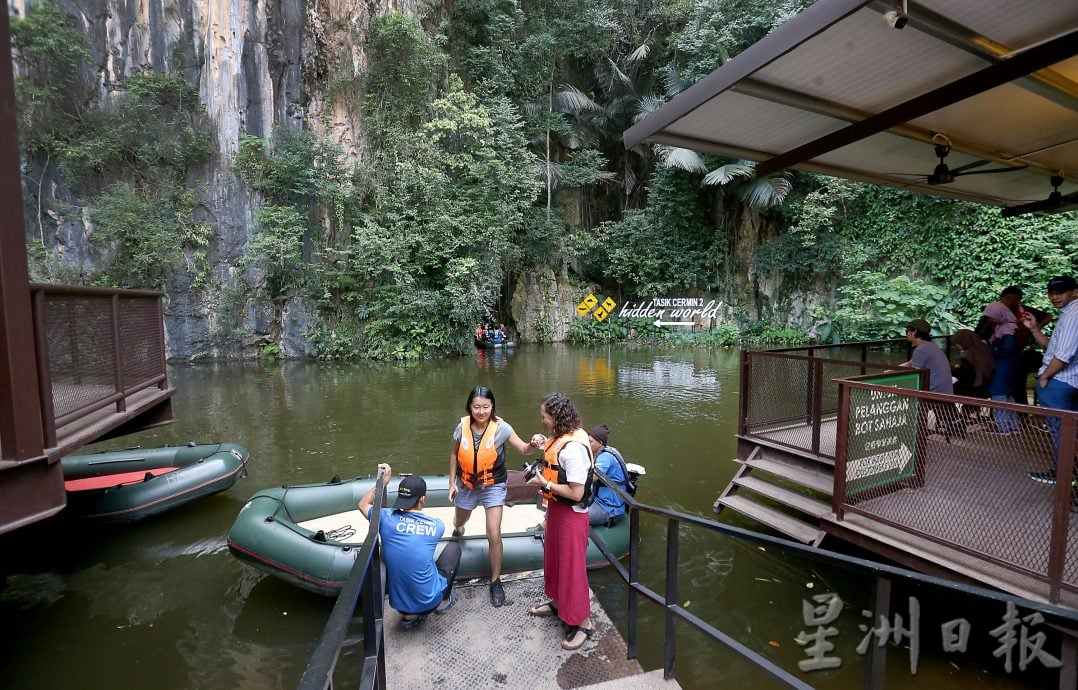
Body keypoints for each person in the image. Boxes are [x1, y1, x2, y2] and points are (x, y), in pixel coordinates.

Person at [449, 386, 537, 606]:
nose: (481, 411)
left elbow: (524, 449)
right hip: (467, 484)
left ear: (492, 407)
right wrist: (452, 482)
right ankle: (458, 529)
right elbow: (454, 454)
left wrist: (533, 444)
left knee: (493, 532)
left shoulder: (502, 428)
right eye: (477, 407)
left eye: (486, 407)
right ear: (470, 406)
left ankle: (496, 581)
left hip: (493, 485)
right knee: (460, 521)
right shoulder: (462, 427)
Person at [525, 392, 595, 651]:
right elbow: (557, 453)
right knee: (554, 559)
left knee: (572, 568)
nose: (541, 419)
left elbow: (576, 492)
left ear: (555, 417)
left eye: (544, 416)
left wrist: (545, 483)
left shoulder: (574, 448)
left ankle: (584, 623)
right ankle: (557, 603)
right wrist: (544, 442)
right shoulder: (564, 434)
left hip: (571, 515)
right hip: (556, 509)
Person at [358, 464, 461, 630]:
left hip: (399, 605)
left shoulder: (385, 518)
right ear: (422, 499)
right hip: (429, 603)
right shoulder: (436, 526)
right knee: (454, 548)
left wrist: (382, 482)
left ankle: (409, 616)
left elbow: (363, 504)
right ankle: (442, 602)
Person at [1022, 276, 1077, 484]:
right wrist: (1034, 329)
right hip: (1069, 381)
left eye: (1060, 293)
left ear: (1074, 291)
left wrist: (1044, 377)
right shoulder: (1067, 314)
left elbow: (1063, 355)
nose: (1054, 297)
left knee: (1060, 429)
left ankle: (1063, 475)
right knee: (1069, 429)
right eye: (1051, 293)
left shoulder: (1072, 314)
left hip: (1060, 381)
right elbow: (1052, 346)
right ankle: (1068, 473)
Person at [999, 286, 1051, 405]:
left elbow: (1048, 316)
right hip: (1001, 352)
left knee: (1018, 381)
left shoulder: (1024, 311)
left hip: (1019, 352)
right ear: (1002, 299)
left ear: (1020, 299)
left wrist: (1034, 329)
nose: (1011, 301)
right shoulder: (996, 311)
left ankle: (1022, 412)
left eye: (1015, 298)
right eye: (1008, 298)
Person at [981, 302, 1021, 435]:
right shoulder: (1007, 327)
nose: (989, 319)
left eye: (991, 316)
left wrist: (989, 348)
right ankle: (1014, 425)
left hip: (1003, 366)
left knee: (999, 394)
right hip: (1011, 366)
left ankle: (1002, 427)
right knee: (1008, 396)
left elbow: (1007, 349)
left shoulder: (1007, 330)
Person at [585, 424, 628, 527]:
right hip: (599, 499)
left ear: (600, 443)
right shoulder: (606, 450)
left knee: (573, 517)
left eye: (590, 442)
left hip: (608, 508)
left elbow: (589, 480)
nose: (587, 444)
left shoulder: (604, 458)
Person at [900, 319, 953, 394]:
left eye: (907, 331)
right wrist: (893, 370)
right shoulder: (931, 346)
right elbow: (911, 363)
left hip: (934, 395)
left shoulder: (920, 350)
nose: (906, 334)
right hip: (946, 393)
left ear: (914, 332)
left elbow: (915, 375)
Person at [951, 329, 994, 399]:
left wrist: (954, 370)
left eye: (957, 344)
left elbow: (965, 373)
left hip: (973, 386)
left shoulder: (969, 353)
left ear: (963, 342)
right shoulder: (983, 348)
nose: (957, 346)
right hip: (985, 382)